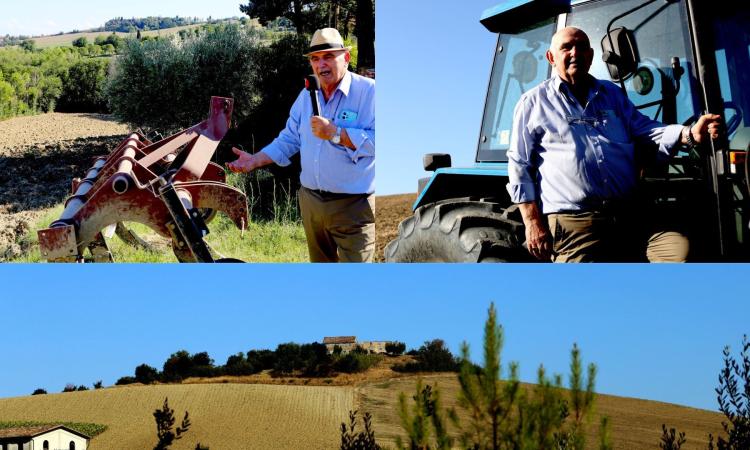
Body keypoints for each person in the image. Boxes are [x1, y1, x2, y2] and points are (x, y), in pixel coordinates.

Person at [506, 27, 721, 262]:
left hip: (629, 214)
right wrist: (533, 223)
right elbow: (519, 164)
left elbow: (644, 129)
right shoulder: (534, 102)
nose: (575, 52)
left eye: (581, 47)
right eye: (566, 47)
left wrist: (688, 134)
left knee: (678, 252)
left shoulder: (611, 93)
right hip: (577, 225)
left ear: (590, 55)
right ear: (551, 57)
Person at [227, 28, 375, 262]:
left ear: (346, 58)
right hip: (311, 204)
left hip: (354, 207)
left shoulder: (370, 93)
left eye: (328, 56)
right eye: (315, 59)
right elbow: (289, 139)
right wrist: (255, 160)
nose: (321, 65)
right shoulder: (306, 95)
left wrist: (336, 133)